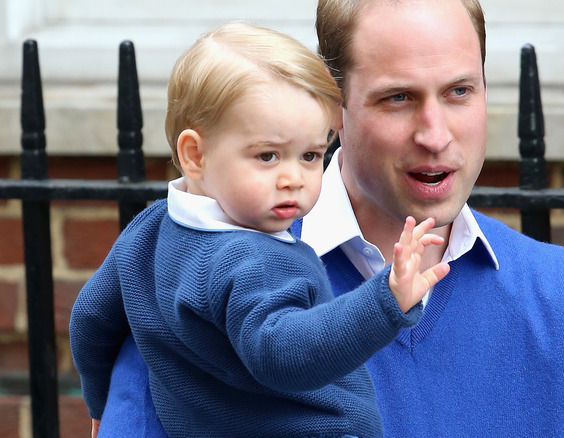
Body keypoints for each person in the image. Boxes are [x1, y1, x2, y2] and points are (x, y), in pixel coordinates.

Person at [87, 0, 564, 436]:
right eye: (399, 97)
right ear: (334, 109)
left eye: (459, 91)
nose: (436, 133)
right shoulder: (197, 278)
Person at [69, 22, 450, 438]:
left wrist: (99, 404)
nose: (293, 178)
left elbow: (90, 318)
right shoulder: (254, 261)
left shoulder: (148, 230)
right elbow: (283, 354)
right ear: (195, 155)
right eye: (268, 156)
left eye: (309, 155)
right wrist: (386, 300)